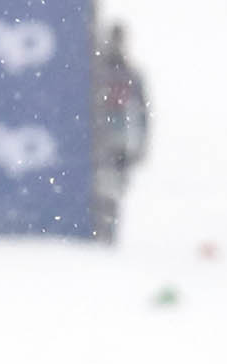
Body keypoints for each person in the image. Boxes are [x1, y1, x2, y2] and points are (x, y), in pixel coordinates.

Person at [90, 15, 141, 241]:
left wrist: (139, 144)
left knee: (110, 189)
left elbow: (140, 112)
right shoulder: (96, 71)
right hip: (103, 139)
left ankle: (105, 231)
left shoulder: (126, 74)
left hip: (116, 140)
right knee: (102, 187)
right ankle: (100, 229)